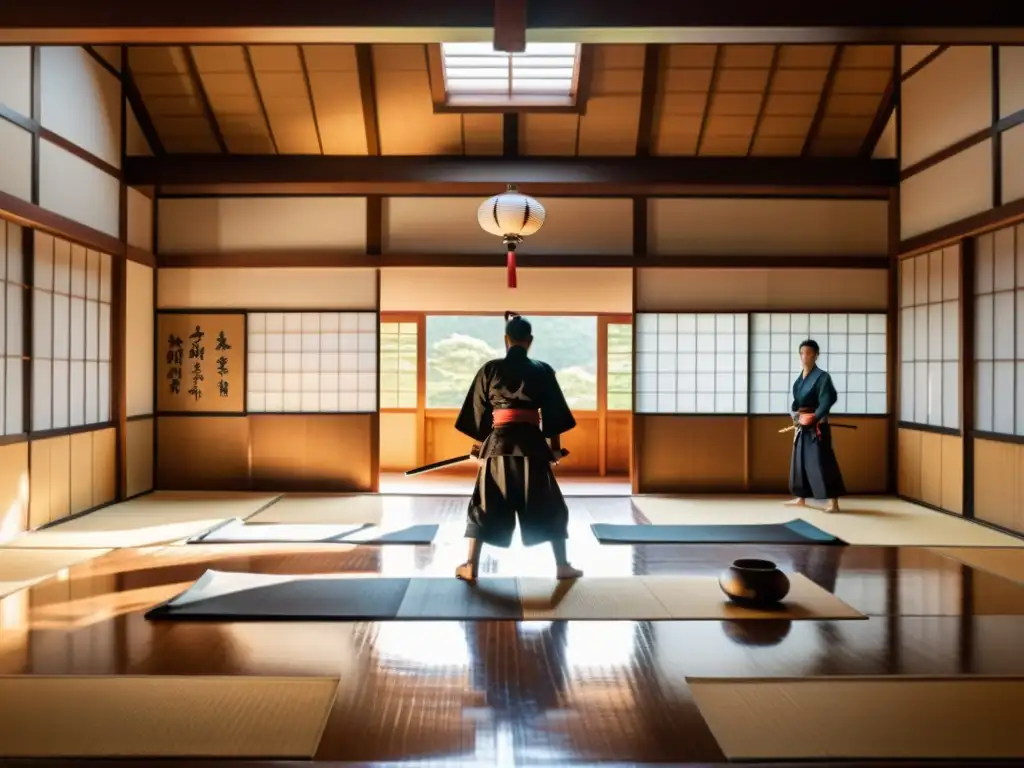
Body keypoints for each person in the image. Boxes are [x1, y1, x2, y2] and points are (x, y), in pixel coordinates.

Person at [452, 312, 583, 582]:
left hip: (497, 447)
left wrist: (479, 446)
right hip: (533, 448)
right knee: (548, 504)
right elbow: (553, 414)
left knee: (485, 504)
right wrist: (555, 450)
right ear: (530, 341)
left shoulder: (490, 369)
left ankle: (470, 566)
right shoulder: (542, 370)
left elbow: (480, 413)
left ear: (506, 340)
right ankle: (562, 566)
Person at [785, 339, 846, 513]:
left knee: (822, 461)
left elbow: (827, 400)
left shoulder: (822, 377)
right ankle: (801, 497)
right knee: (800, 461)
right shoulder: (799, 380)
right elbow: (796, 404)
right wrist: (797, 418)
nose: (805, 356)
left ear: (816, 355)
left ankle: (833, 502)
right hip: (802, 425)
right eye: (802, 353)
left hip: (817, 425)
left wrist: (814, 417)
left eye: (809, 353)